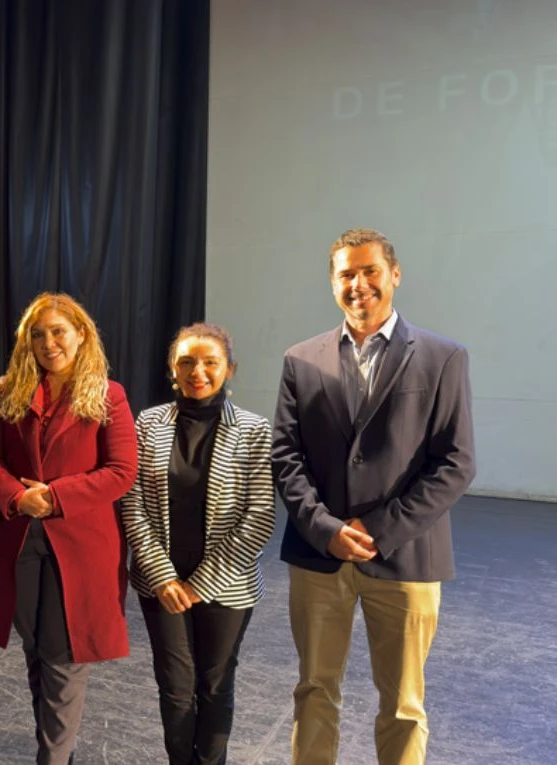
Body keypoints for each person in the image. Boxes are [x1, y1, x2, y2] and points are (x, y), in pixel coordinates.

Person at [272, 228, 475, 765]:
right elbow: (285, 457)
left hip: (407, 556)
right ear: (332, 281)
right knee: (315, 690)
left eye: (370, 272)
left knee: (404, 704)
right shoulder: (301, 359)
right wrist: (324, 527)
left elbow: (456, 462)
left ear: (394, 275)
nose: (358, 285)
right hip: (320, 556)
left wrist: (377, 528)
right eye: (346, 274)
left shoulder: (443, 358)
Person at [0, 292, 138, 765]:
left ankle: (54, 757)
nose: (49, 343)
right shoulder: (9, 390)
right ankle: (52, 746)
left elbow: (122, 469)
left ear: (81, 334)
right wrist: (20, 496)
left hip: (81, 546)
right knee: (37, 649)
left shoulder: (109, 394)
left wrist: (55, 496)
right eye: (37, 335)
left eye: (58, 331)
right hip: (21, 538)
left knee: (64, 656)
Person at [120, 322, 274, 765]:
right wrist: (165, 578)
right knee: (174, 686)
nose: (197, 371)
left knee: (215, 684)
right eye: (186, 361)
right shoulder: (147, 424)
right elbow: (133, 506)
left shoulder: (254, 429)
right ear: (173, 368)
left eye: (210, 362)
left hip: (226, 584)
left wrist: (199, 584)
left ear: (229, 369)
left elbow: (260, 516)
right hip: (160, 581)